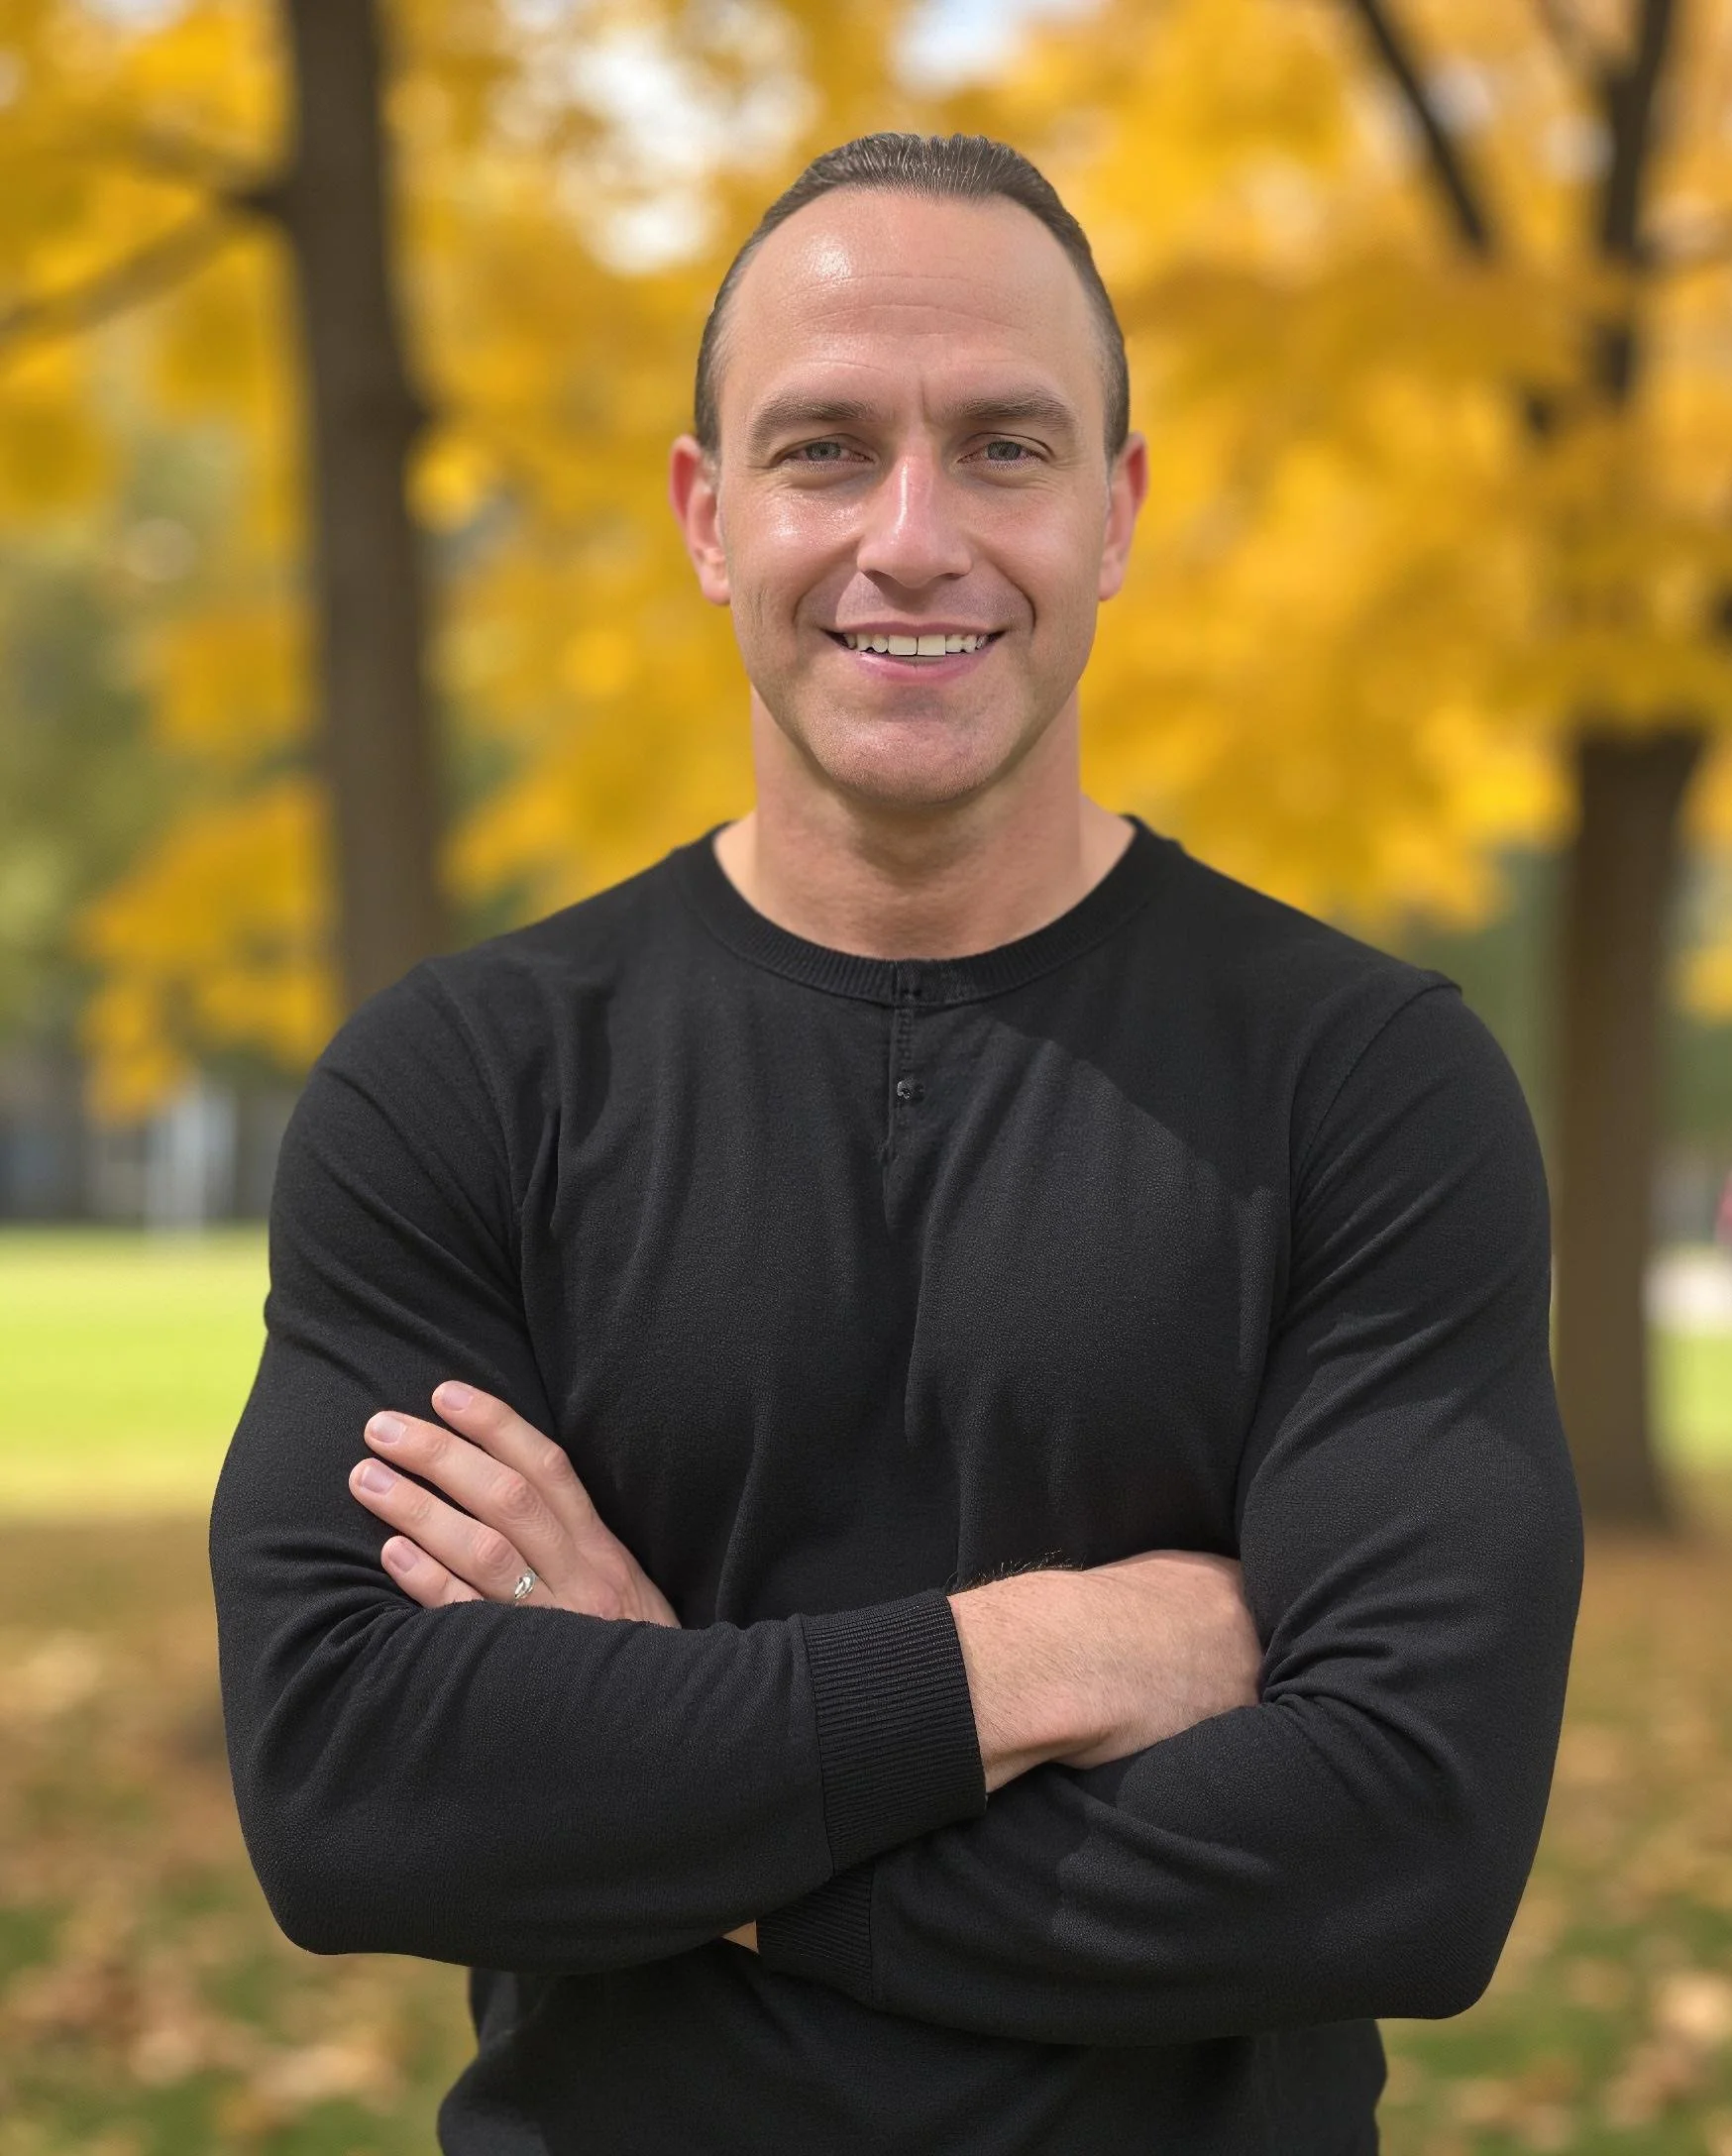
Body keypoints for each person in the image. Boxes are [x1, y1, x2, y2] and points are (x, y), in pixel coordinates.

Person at [211, 133, 1583, 2154]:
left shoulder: (1364, 1085)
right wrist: (1043, 1651)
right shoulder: (459, 1083)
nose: (912, 537)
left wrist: (676, 1776)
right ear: (706, 514)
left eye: (1004, 447)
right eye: (825, 448)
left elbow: (1398, 1848)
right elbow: (348, 1785)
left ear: (1115, 512)